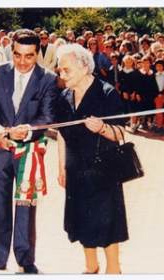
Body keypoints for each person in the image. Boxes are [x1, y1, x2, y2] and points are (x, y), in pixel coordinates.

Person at [0, 29, 58, 273]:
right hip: (0, 151)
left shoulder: (48, 79)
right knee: (0, 206)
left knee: (25, 207)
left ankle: (25, 260)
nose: (22, 62)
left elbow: (49, 116)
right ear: (11, 51)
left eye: (29, 56)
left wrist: (29, 130)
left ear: (38, 54)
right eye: (17, 55)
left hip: (29, 154)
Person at [56, 43, 128, 274]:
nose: (62, 74)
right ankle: (91, 267)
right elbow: (61, 133)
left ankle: (113, 270)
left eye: (66, 70)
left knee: (107, 223)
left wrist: (103, 128)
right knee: (82, 220)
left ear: (85, 67)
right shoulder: (65, 96)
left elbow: (120, 132)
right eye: (60, 70)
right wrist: (62, 166)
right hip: (76, 169)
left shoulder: (107, 93)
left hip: (102, 170)